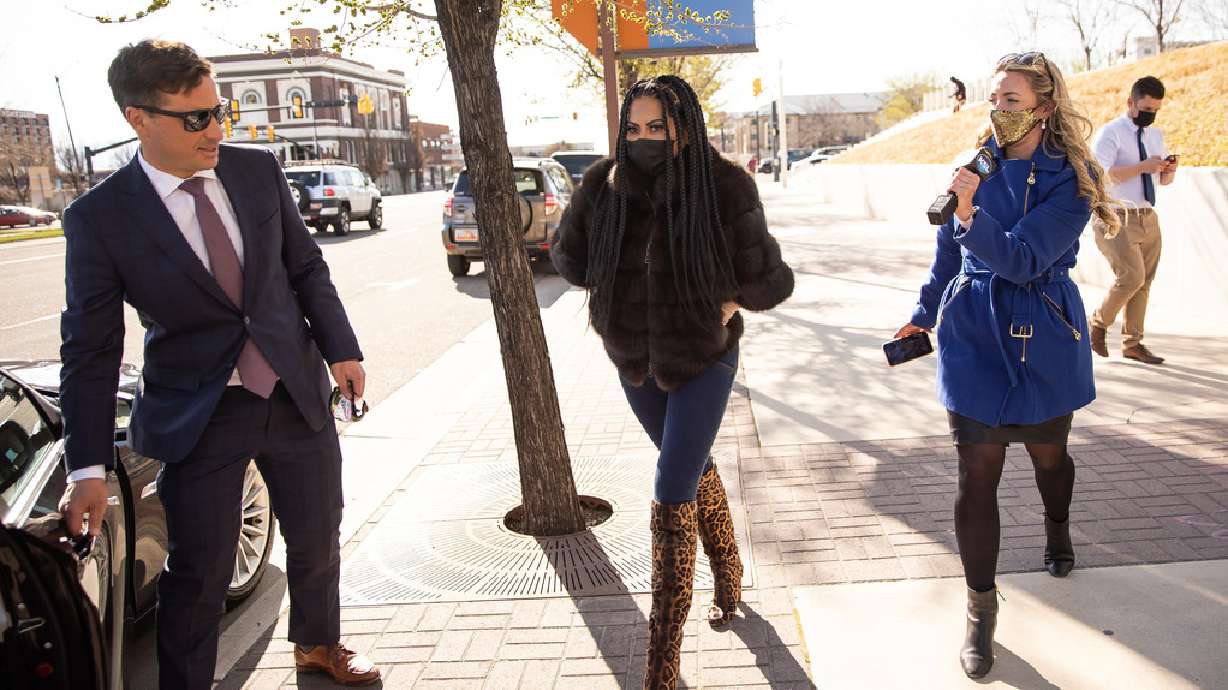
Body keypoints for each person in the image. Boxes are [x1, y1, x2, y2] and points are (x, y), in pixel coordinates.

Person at [57, 40, 379, 688]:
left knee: (318, 539)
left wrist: (341, 348)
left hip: (293, 389)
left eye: (218, 110)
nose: (217, 129)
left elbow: (305, 267)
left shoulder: (257, 170)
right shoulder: (100, 219)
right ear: (137, 118)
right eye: (196, 118)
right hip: (199, 413)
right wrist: (87, 465)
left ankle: (318, 644)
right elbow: (90, 351)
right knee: (199, 571)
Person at [551, 75, 793, 690]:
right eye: (634, 129)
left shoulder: (725, 185)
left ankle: (661, 660)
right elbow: (569, 258)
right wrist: (607, 276)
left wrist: (729, 301)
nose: (643, 139)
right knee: (690, 463)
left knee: (672, 482)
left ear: (682, 126)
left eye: (656, 127)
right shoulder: (604, 185)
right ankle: (730, 573)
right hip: (633, 359)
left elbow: (771, 277)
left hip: (703, 358)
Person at [895, 53, 1118, 679]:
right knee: (976, 470)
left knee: (1051, 460)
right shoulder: (974, 165)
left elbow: (1022, 260)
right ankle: (979, 609)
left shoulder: (1071, 181)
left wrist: (971, 213)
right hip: (973, 336)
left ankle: (1057, 526)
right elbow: (947, 255)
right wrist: (924, 314)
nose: (999, 110)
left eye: (1013, 100)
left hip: (1043, 329)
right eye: (994, 98)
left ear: (1044, 108)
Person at [1089, 76, 1177, 364]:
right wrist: (1142, 166)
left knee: (1144, 282)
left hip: (1146, 215)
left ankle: (1133, 343)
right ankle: (1099, 323)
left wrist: (1167, 170)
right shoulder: (1111, 133)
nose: (1150, 114)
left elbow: (1161, 181)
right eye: (1146, 108)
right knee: (1131, 277)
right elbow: (1101, 176)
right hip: (1115, 214)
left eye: (1155, 109)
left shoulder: (1155, 135)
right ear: (1131, 103)